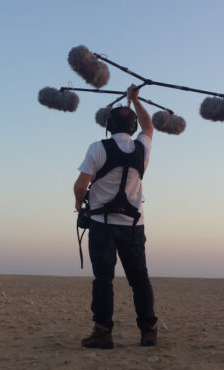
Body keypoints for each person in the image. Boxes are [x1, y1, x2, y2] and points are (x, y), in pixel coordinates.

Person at [73, 84, 158, 349]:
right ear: (131, 128)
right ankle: (148, 331)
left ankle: (102, 333)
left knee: (103, 281)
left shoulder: (97, 147)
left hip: (103, 226)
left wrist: (79, 204)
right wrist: (137, 100)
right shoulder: (142, 148)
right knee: (139, 280)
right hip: (134, 227)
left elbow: (80, 185)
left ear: (109, 126)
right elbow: (149, 127)